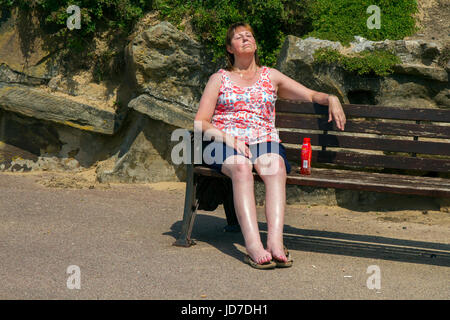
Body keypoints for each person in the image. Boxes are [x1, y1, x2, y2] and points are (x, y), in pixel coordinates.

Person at [194, 22, 346, 269]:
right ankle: (253, 245)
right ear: (229, 48)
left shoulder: (271, 76)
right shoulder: (219, 78)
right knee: (241, 168)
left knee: (276, 167)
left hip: (263, 140)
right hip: (224, 140)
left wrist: (332, 98)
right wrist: (229, 139)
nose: (245, 39)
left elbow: (308, 95)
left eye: (249, 35)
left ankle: (275, 242)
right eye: (238, 37)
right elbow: (200, 122)